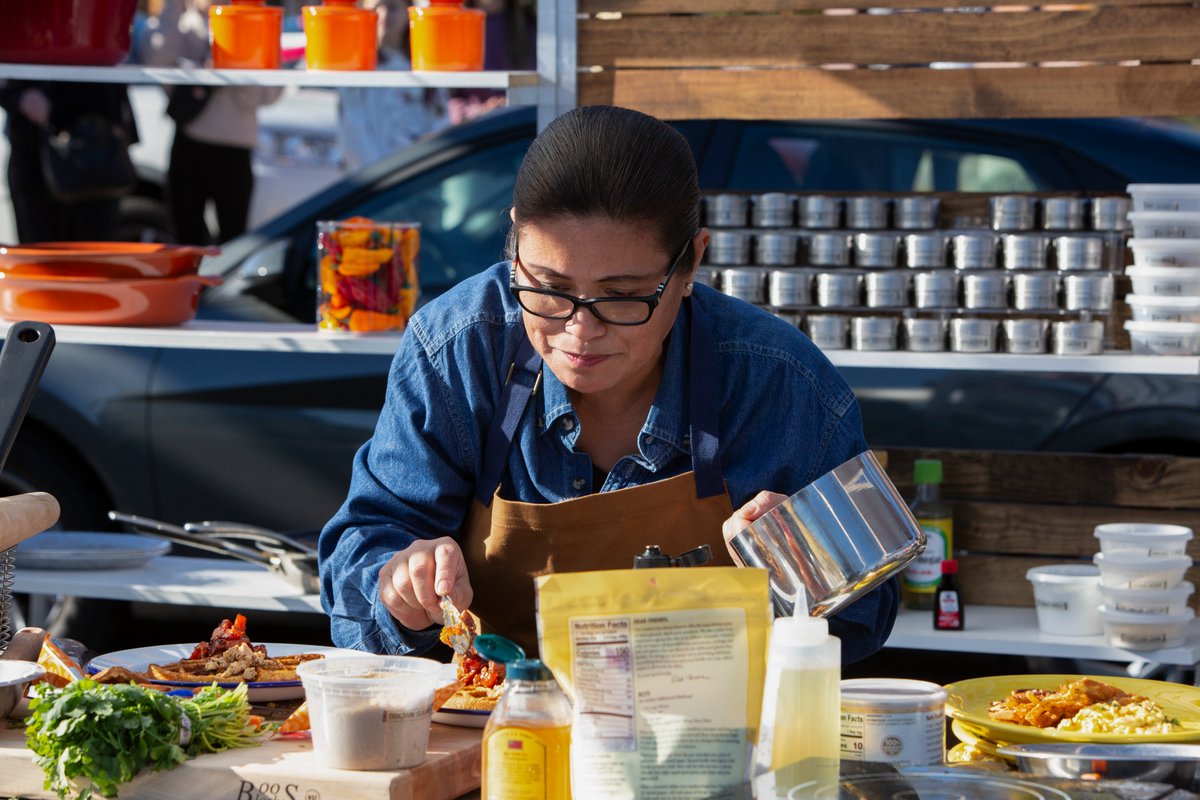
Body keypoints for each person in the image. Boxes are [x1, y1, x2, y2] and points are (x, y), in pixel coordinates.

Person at [319, 105, 899, 663]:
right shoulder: (457, 349)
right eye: (546, 286)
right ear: (514, 243)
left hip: (709, 737)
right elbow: (365, 543)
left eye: (622, 297)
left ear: (691, 264)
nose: (580, 330)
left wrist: (807, 569)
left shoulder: (781, 383)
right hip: (499, 731)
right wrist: (396, 586)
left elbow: (869, 615)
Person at [136, 0, 282, 244]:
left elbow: (267, 94)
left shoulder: (253, 22)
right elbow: (154, 57)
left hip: (235, 149)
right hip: (189, 144)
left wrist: (231, 64)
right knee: (185, 241)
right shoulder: (183, 25)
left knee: (233, 242)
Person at [0, 80, 138, 243]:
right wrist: (16, 96)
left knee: (94, 256)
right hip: (35, 146)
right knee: (40, 257)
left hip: (98, 146)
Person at [337, 0, 450, 172]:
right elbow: (354, 136)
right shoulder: (354, 66)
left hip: (420, 181)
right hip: (373, 186)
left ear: (408, 11)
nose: (384, 14)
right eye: (376, 7)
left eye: (392, 7)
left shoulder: (426, 64)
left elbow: (439, 125)